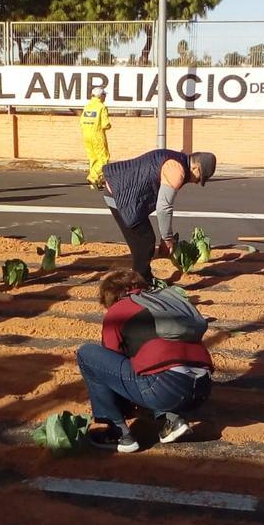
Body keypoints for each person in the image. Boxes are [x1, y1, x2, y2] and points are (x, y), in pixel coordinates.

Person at [76, 269, 214, 453]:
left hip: (166, 388)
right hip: (202, 389)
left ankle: (119, 433)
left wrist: (122, 406)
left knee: (88, 355)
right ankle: (173, 420)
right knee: (160, 362)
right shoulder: (165, 302)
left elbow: (112, 359)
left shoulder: (119, 309)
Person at [100, 148, 217, 285]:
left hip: (124, 193)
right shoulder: (176, 170)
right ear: (196, 168)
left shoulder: (176, 159)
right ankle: (139, 284)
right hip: (120, 195)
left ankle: (144, 279)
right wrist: (167, 238)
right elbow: (164, 207)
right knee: (144, 244)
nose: (197, 182)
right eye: (200, 178)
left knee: (145, 241)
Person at [81, 86, 111, 189]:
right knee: (103, 158)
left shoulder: (87, 106)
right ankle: (93, 177)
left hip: (86, 135)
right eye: (104, 95)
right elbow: (105, 124)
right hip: (97, 135)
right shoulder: (101, 107)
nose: (105, 97)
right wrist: (109, 125)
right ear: (101, 96)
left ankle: (96, 181)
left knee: (92, 158)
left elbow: (82, 121)